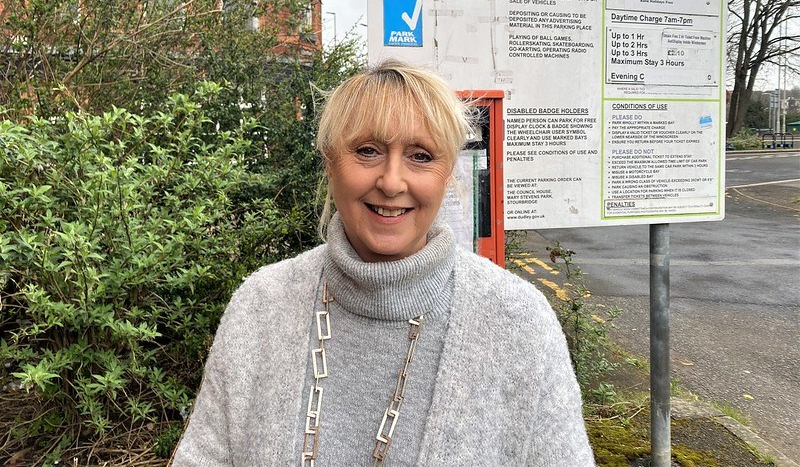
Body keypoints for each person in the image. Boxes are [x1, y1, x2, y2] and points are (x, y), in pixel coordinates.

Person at [172, 60, 595, 466]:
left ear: (448, 173)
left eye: (421, 156)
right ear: (330, 163)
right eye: (368, 150)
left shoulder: (517, 322)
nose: (392, 182)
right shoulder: (260, 307)